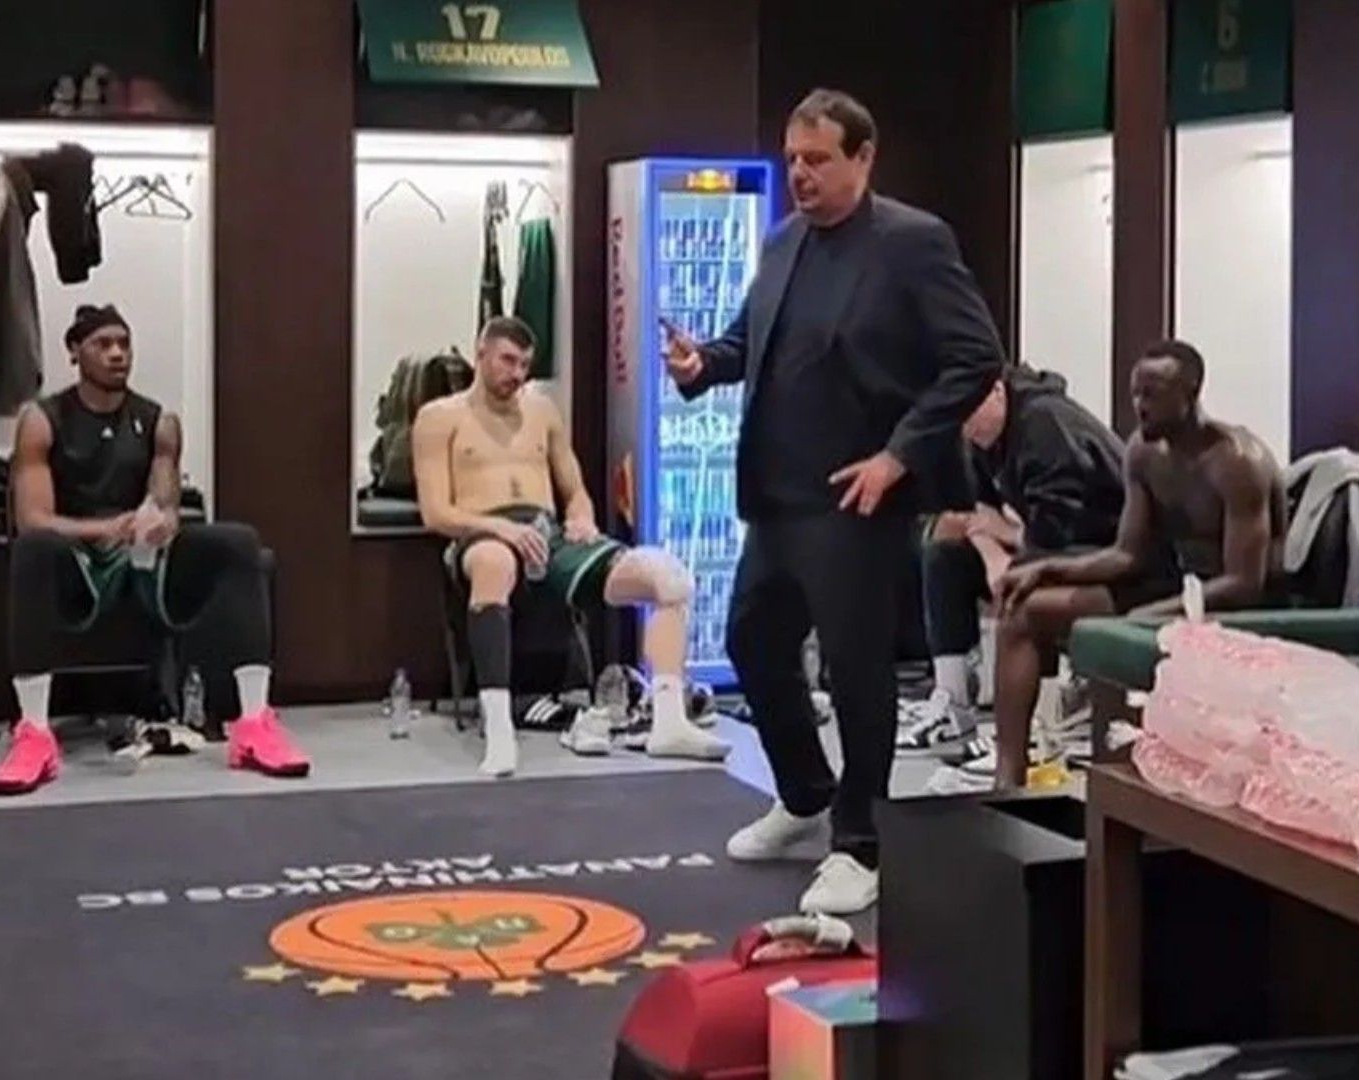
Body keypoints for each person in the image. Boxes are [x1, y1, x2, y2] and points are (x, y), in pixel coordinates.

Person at [663, 88, 1002, 915]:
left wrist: (898, 455)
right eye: (791, 160)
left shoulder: (914, 243)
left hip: (859, 494)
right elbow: (752, 342)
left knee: (857, 672)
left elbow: (975, 357)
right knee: (752, 643)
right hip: (777, 495)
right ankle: (806, 793)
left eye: (817, 160)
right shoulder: (783, 241)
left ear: (863, 157)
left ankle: (861, 842)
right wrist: (703, 365)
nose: (800, 175)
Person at [0, 304, 307, 796]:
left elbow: (165, 500)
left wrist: (159, 519)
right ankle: (34, 733)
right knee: (33, 548)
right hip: (76, 560)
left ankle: (252, 724)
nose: (117, 354)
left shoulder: (158, 421)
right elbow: (34, 518)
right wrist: (105, 528)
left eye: (124, 343)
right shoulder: (43, 419)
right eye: (103, 344)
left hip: (141, 562)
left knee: (239, 542)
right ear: (75, 352)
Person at [414, 315, 729, 777]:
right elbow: (436, 513)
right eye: (507, 361)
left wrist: (582, 516)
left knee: (669, 578)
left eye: (525, 365)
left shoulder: (542, 411)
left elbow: (575, 489)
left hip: (548, 533)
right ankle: (499, 729)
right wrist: (500, 529)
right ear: (481, 354)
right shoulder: (440, 417)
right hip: (481, 532)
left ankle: (669, 720)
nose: (517, 374)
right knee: (495, 563)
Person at [994, 341, 1287, 790]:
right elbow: (1127, 555)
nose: (1139, 406)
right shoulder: (1143, 453)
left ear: (1190, 392)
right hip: (1172, 588)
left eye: (1152, 394)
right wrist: (1047, 570)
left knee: (1121, 634)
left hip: (1233, 602)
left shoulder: (1237, 463)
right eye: (1135, 393)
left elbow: (1245, 583)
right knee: (1022, 612)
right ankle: (1008, 779)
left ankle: (1120, 784)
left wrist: (1146, 616)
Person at [900, 363, 1127, 751]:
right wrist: (993, 557)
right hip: (1048, 540)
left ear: (997, 392)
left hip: (1106, 550)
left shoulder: (1044, 424)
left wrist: (1006, 536)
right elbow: (973, 509)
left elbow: (1058, 529)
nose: (964, 426)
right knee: (945, 557)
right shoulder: (980, 435)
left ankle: (1038, 722)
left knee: (1025, 581)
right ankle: (953, 700)